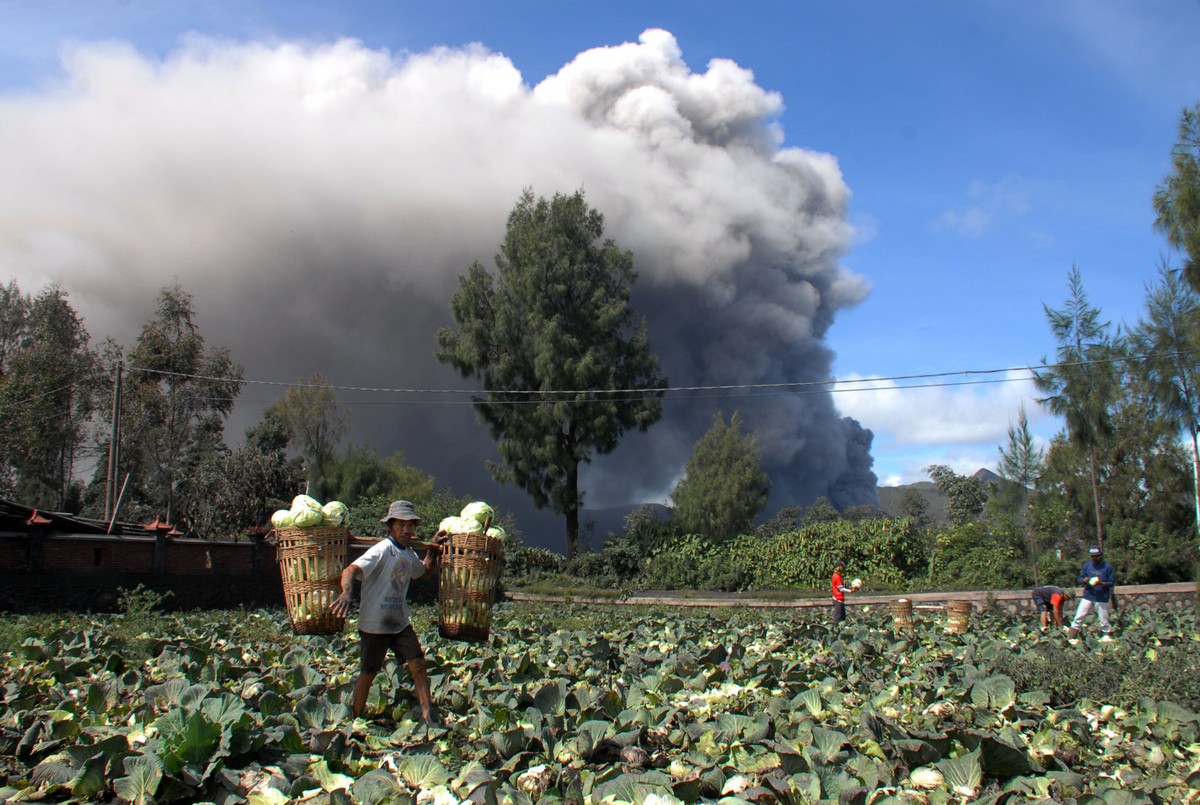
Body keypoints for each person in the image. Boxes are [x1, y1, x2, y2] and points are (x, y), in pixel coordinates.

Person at [332, 500, 441, 723]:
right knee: (368, 673)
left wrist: (432, 551)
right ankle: (355, 719)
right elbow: (351, 569)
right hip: (374, 623)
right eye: (401, 525)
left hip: (399, 622)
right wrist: (347, 590)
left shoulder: (409, 554)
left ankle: (428, 717)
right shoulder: (382, 550)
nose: (406, 530)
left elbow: (424, 573)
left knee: (418, 664)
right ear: (391, 526)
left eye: (410, 525)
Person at [1067, 546, 1116, 639]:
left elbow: (1111, 582)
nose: (1094, 558)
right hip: (1088, 594)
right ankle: (1072, 635)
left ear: (1101, 555)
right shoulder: (1087, 566)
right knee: (1079, 615)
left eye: (1096, 556)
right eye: (1093, 556)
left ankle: (1106, 634)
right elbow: (1080, 579)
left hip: (1102, 595)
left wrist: (1101, 583)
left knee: (1103, 617)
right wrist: (1084, 580)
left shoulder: (1107, 567)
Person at [831, 559, 860, 624]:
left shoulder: (837, 576)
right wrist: (850, 591)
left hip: (839, 599)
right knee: (838, 618)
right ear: (839, 567)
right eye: (842, 567)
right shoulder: (837, 577)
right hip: (838, 599)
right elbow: (841, 589)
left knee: (843, 618)